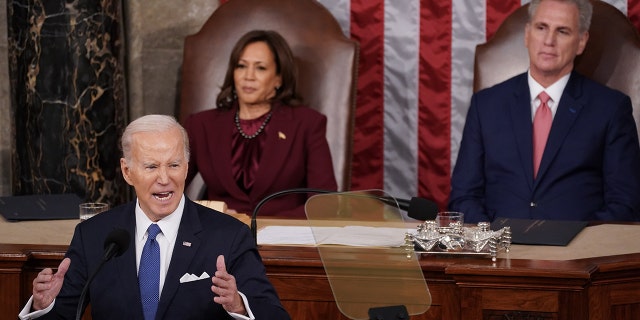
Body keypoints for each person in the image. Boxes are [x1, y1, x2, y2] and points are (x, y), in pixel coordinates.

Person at [19, 114, 290, 319]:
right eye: (151, 166)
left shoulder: (229, 236)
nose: (164, 178)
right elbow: (65, 313)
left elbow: (274, 314)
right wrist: (44, 306)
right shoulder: (95, 235)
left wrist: (239, 305)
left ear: (186, 167)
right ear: (127, 172)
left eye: (173, 165)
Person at [449, 0, 640, 223]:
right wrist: (491, 239)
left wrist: (579, 244)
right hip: (498, 249)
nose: (549, 41)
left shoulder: (611, 109)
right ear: (527, 34)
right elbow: (464, 197)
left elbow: (625, 203)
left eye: (562, 31)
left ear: (581, 42)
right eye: (541, 28)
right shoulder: (486, 105)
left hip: (578, 253)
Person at [184, 30, 337, 218]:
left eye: (260, 68)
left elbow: (325, 204)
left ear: (278, 79)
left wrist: (257, 224)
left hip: (281, 239)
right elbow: (168, 190)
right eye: (241, 66)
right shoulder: (201, 125)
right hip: (218, 235)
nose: (249, 76)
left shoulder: (307, 124)